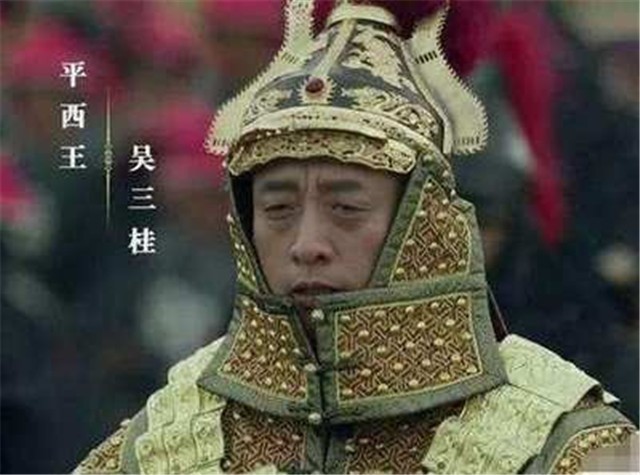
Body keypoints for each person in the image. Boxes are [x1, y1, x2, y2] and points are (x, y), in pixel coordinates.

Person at [74, 1, 637, 473]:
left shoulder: (561, 442)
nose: (306, 243)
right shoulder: (164, 441)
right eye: (277, 209)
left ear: (422, 222)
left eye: (345, 208)